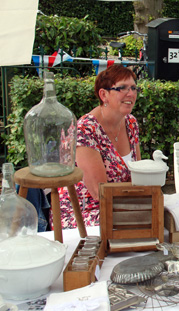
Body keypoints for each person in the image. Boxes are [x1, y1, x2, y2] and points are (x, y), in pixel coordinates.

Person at [57, 65, 141, 228]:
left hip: (123, 204)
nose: (130, 93)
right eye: (122, 88)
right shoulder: (85, 129)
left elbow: (139, 173)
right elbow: (99, 192)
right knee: (140, 222)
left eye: (133, 88)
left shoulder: (131, 123)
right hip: (85, 213)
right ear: (104, 95)